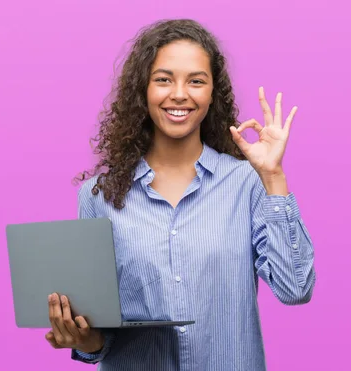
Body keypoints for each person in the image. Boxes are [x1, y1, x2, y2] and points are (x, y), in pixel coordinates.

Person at [44, 19, 316, 371]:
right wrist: (82, 338)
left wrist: (273, 176)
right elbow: (101, 334)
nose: (179, 93)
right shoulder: (99, 196)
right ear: (143, 89)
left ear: (212, 93)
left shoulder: (247, 183)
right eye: (163, 79)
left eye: (196, 81)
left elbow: (295, 288)